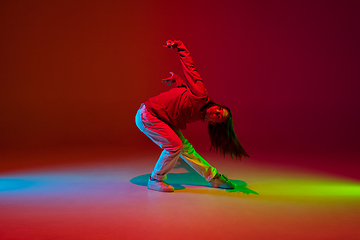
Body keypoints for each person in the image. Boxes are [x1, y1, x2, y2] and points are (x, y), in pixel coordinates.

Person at [135, 40, 249, 192]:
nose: (217, 112)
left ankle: (213, 178)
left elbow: (185, 94)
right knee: (175, 146)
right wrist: (180, 47)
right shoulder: (201, 95)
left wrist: (177, 80)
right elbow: (191, 69)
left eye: (219, 116)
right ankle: (155, 180)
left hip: (161, 119)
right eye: (220, 109)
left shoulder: (198, 111)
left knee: (186, 149)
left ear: (214, 123)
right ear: (216, 105)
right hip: (147, 115)